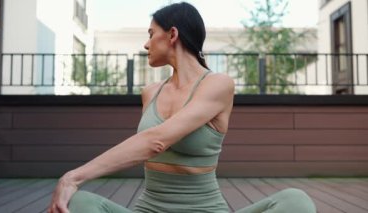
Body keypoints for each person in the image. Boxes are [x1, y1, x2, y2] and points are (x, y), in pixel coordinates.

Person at [48, 2, 316, 213]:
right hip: (149, 209)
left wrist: (73, 177)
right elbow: (147, 145)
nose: (146, 43)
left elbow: (156, 141)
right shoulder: (150, 92)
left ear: (172, 34)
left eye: (151, 33)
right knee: (81, 204)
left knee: (295, 202)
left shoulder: (218, 85)